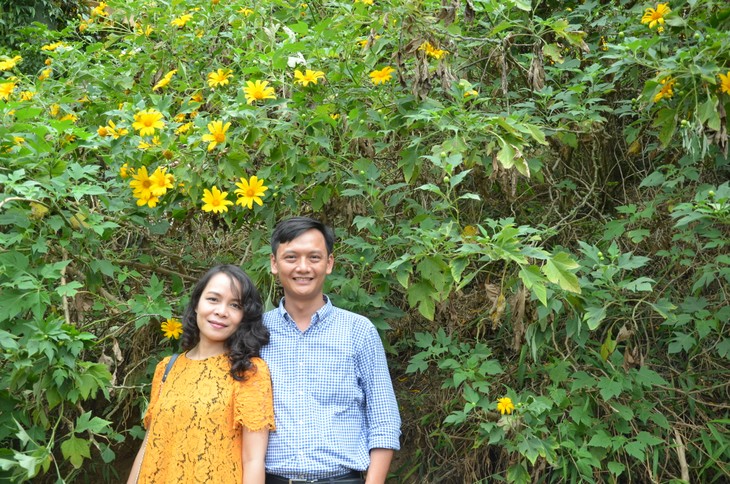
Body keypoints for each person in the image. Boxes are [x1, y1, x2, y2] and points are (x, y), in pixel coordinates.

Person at [261, 217, 401, 484]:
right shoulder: (255, 333)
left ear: (329, 263)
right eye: (291, 257)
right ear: (274, 264)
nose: (303, 267)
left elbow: (384, 421)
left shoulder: (358, 331)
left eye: (314, 257)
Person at [127, 264, 275, 484]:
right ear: (197, 303)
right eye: (213, 299)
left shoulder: (248, 371)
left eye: (235, 305)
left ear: (243, 316)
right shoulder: (167, 367)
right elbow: (150, 442)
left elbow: (253, 460)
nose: (221, 311)